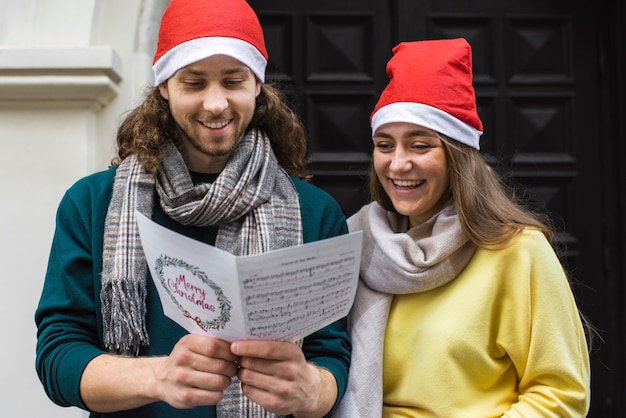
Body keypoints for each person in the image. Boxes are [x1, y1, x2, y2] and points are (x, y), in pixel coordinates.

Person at [34, 0, 351, 417]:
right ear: (164, 87)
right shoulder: (92, 203)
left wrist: (311, 389)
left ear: (257, 84)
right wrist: (159, 377)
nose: (215, 103)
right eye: (194, 83)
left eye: (233, 81)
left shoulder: (317, 213)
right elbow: (58, 357)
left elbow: (332, 357)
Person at [333, 38, 591, 417]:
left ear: (457, 157)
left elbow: (561, 394)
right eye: (384, 145)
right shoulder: (354, 242)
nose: (397, 164)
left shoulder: (517, 252)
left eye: (420, 146)